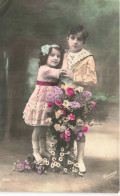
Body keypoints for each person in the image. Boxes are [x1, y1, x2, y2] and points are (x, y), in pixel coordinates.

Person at [61, 25, 97, 174]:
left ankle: (80, 159)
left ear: (84, 42)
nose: (75, 42)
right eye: (73, 38)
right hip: (62, 96)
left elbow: (93, 79)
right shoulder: (63, 54)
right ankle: (65, 157)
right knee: (63, 127)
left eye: (79, 39)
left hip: (79, 96)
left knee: (78, 128)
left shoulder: (88, 57)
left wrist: (74, 77)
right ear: (68, 39)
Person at [23, 44, 66, 163]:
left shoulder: (52, 69)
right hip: (40, 103)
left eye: (58, 56)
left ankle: (43, 150)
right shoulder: (44, 69)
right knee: (37, 128)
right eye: (52, 55)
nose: (56, 58)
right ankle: (35, 152)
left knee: (44, 128)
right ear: (45, 56)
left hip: (49, 103)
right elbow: (62, 72)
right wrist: (66, 57)